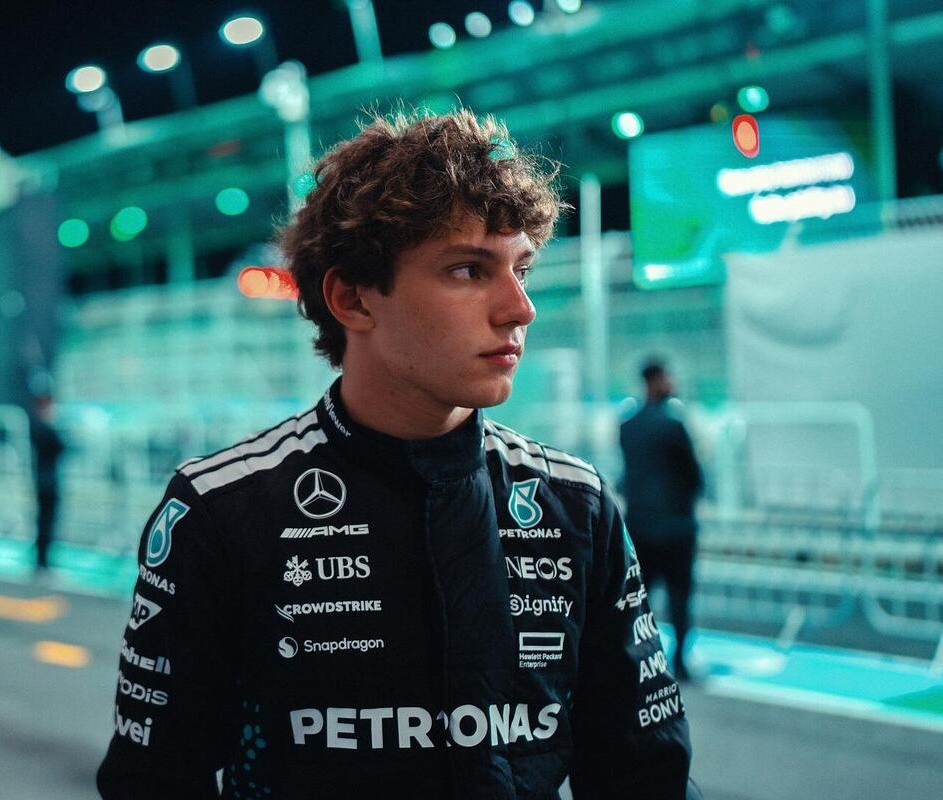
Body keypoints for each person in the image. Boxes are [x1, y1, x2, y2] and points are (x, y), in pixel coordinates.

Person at [97, 110, 695, 799]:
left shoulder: (574, 506)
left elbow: (647, 778)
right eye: (468, 269)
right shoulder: (220, 510)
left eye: (521, 269)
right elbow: (153, 783)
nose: (520, 308)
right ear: (352, 298)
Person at [618, 359, 704, 682]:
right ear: (656, 379)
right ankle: (680, 661)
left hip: (640, 525)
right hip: (676, 526)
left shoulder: (628, 426)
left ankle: (641, 662)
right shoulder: (673, 425)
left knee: (640, 599)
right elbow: (693, 476)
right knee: (679, 596)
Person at [29, 391, 64, 574]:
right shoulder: (41, 428)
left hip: (48, 482)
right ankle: (41, 562)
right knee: (45, 523)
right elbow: (59, 445)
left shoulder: (43, 427)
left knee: (48, 523)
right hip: (46, 483)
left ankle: (43, 561)